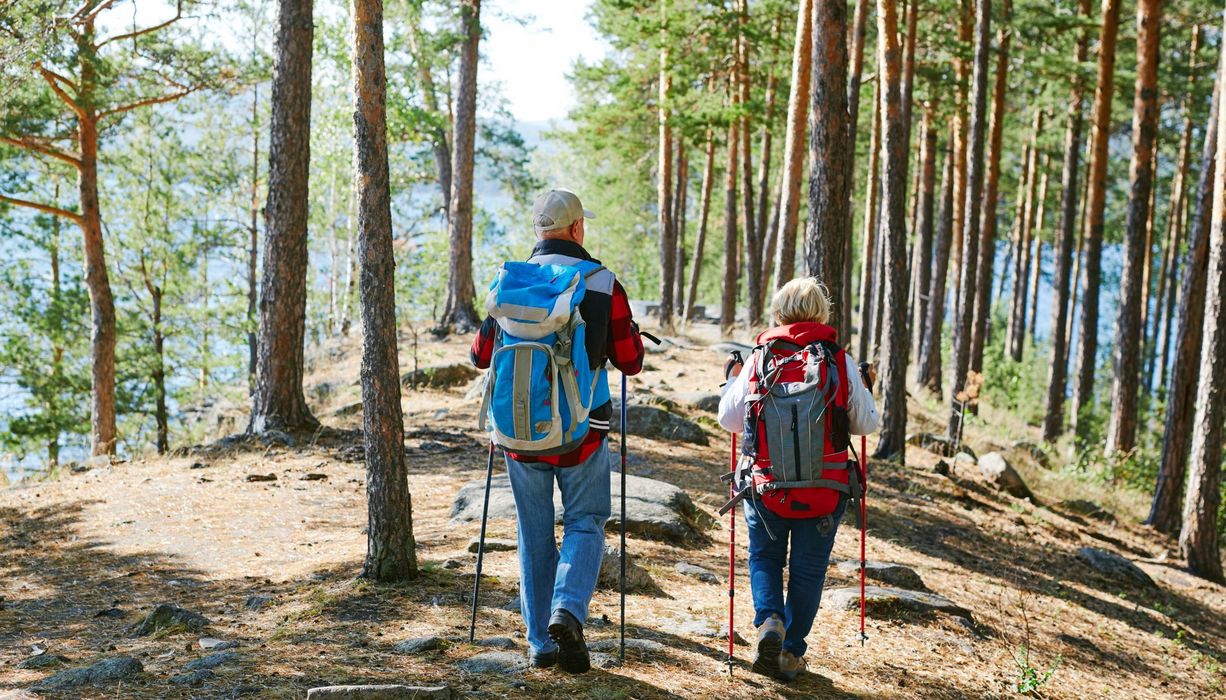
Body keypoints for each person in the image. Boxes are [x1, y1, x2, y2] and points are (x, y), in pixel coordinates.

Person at [470, 189, 645, 673]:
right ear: (576, 229)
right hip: (582, 431)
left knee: (533, 532)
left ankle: (539, 644)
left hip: (519, 433)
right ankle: (567, 609)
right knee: (586, 520)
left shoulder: (509, 281)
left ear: (538, 232)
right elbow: (631, 361)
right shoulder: (602, 282)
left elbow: (480, 356)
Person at [717, 277, 879, 682]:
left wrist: (735, 380)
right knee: (808, 572)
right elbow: (867, 424)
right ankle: (791, 653)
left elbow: (729, 420)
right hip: (824, 491)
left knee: (765, 558)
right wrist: (865, 388)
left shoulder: (760, 357)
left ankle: (770, 619)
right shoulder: (838, 360)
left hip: (767, 489)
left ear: (779, 311)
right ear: (821, 313)